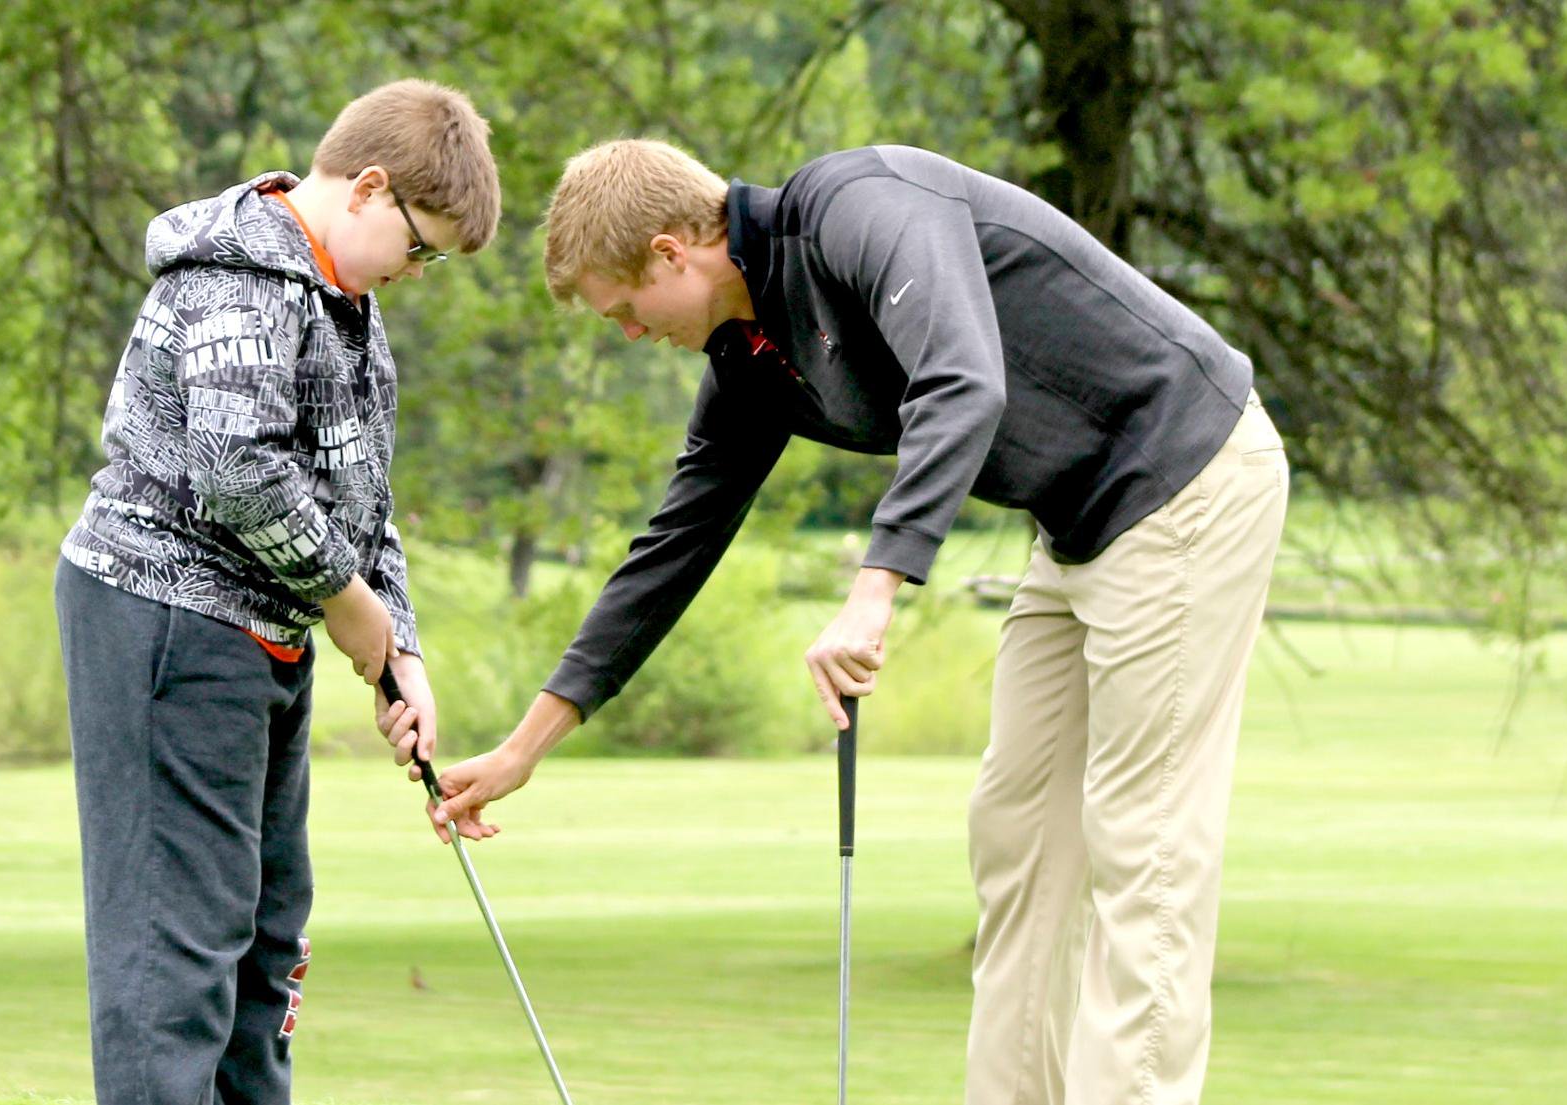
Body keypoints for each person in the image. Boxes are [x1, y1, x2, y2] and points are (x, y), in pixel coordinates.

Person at [427, 139, 1287, 1105]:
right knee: (1017, 835)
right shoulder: (751, 354)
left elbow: (964, 378)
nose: (628, 332)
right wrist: (523, 749)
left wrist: (873, 591)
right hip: (1078, 525)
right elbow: (673, 548)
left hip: (1187, 479)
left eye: (624, 309)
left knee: (1144, 848)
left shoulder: (859, 202)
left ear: (671, 253)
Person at [53, 78, 494, 1105]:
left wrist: (401, 652)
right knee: (180, 942)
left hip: (259, 628)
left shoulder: (344, 308)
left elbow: (359, 496)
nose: (418, 271)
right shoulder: (239, 278)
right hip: (167, 615)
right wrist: (352, 607)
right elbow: (239, 474)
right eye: (421, 245)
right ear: (371, 189)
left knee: (268, 927)